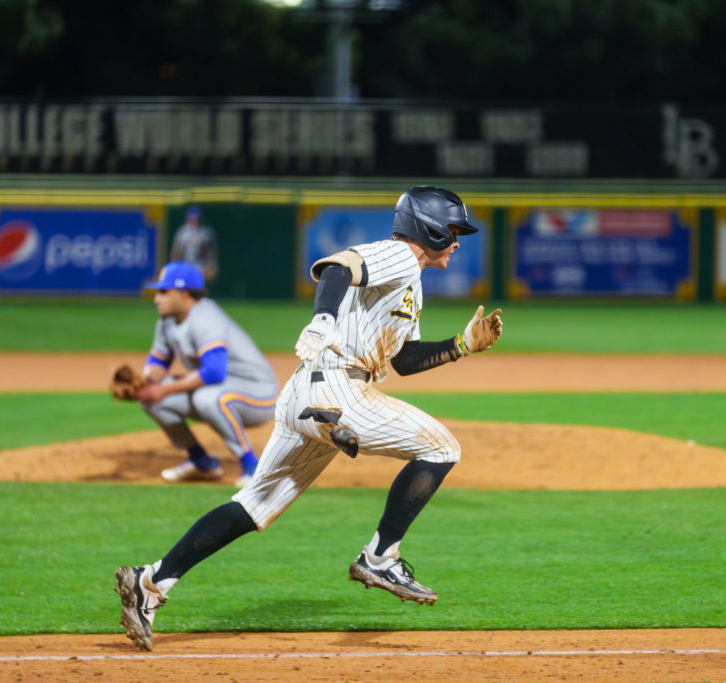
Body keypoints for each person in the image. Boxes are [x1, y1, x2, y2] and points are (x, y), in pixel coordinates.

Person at [114, 186, 503, 651]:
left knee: (253, 506)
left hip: (310, 388)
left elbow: (402, 360)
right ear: (430, 227)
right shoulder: (398, 256)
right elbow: (338, 267)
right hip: (336, 384)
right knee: (442, 447)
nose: (457, 242)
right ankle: (380, 556)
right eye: (453, 231)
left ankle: (151, 581)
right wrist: (322, 319)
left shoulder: (411, 281)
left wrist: (461, 346)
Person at [138, 261, 278, 488]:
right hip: (224, 387)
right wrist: (143, 385)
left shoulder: (204, 317)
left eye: (163, 291)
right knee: (152, 400)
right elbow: (158, 360)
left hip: (259, 393)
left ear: (184, 294)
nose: (157, 298)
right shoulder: (167, 320)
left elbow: (214, 371)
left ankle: (253, 468)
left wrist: (163, 388)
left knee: (207, 399)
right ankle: (201, 462)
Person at [170, 206, 218, 285]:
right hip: (185, 265)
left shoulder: (206, 232)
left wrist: (210, 265)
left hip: (200, 265)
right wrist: (176, 265)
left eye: (196, 218)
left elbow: (210, 253)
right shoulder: (182, 232)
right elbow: (176, 251)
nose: (194, 220)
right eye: (192, 218)